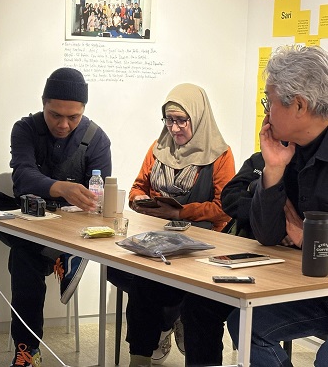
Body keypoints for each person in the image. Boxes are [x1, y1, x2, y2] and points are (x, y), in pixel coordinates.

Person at [0, 67, 112, 367]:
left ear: (83, 110)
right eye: (54, 115)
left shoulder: (97, 139)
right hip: (30, 219)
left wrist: (87, 200)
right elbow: (22, 176)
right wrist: (60, 187)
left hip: (69, 228)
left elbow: (99, 199)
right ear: (43, 104)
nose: (63, 124)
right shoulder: (25, 128)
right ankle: (57, 256)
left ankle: (27, 352)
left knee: (23, 255)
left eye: (73, 117)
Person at [227, 45, 328, 366]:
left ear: (299, 105)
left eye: (268, 102)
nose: (266, 113)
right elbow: (268, 235)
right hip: (315, 291)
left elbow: (300, 238)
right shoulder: (289, 150)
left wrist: (308, 240)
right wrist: (273, 168)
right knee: (247, 323)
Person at [122, 83, 236, 367]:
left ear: (198, 117)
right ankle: (140, 358)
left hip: (203, 248)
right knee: (141, 286)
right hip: (159, 242)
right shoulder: (158, 149)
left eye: (181, 120)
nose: (174, 128)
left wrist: (181, 212)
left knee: (198, 305)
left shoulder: (220, 154)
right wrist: (139, 200)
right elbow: (137, 187)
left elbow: (224, 208)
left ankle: (176, 323)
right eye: (169, 120)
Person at [180, 151, 265, 366]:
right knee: (196, 304)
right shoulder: (258, 159)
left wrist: (253, 193)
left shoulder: (306, 163)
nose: (267, 134)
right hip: (248, 254)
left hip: (291, 265)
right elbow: (230, 200)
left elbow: (221, 209)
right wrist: (259, 199)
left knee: (249, 324)